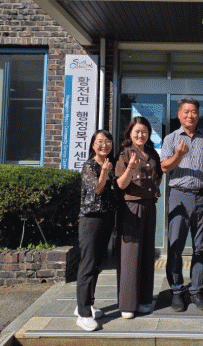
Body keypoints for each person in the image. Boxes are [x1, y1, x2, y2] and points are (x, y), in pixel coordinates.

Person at [161, 98, 203, 312]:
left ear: (198, 114)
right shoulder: (171, 138)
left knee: (201, 247)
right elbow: (165, 167)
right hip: (179, 196)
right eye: (186, 111)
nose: (190, 115)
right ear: (179, 114)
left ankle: (196, 290)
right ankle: (176, 291)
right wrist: (179, 155)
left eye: (193, 111)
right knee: (176, 246)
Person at [115, 116, 162, 319]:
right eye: (137, 132)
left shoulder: (152, 153)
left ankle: (144, 300)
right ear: (130, 133)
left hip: (150, 205)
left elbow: (158, 177)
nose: (140, 135)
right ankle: (127, 304)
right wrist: (130, 169)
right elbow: (121, 184)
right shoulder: (125, 153)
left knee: (147, 252)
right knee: (130, 254)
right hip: (131, 206)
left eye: (144, 132)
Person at [75, 130, 119, 331]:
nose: (104, 145)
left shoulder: (109, 164)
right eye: (100, 141)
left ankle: (86, 304)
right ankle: (83, 315)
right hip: (91, 219)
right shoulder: (90, 166)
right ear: (93, 145)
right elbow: (97, 190)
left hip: (106, 218)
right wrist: (105, 172)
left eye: (108, 141)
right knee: (88, 264)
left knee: (98, 263)